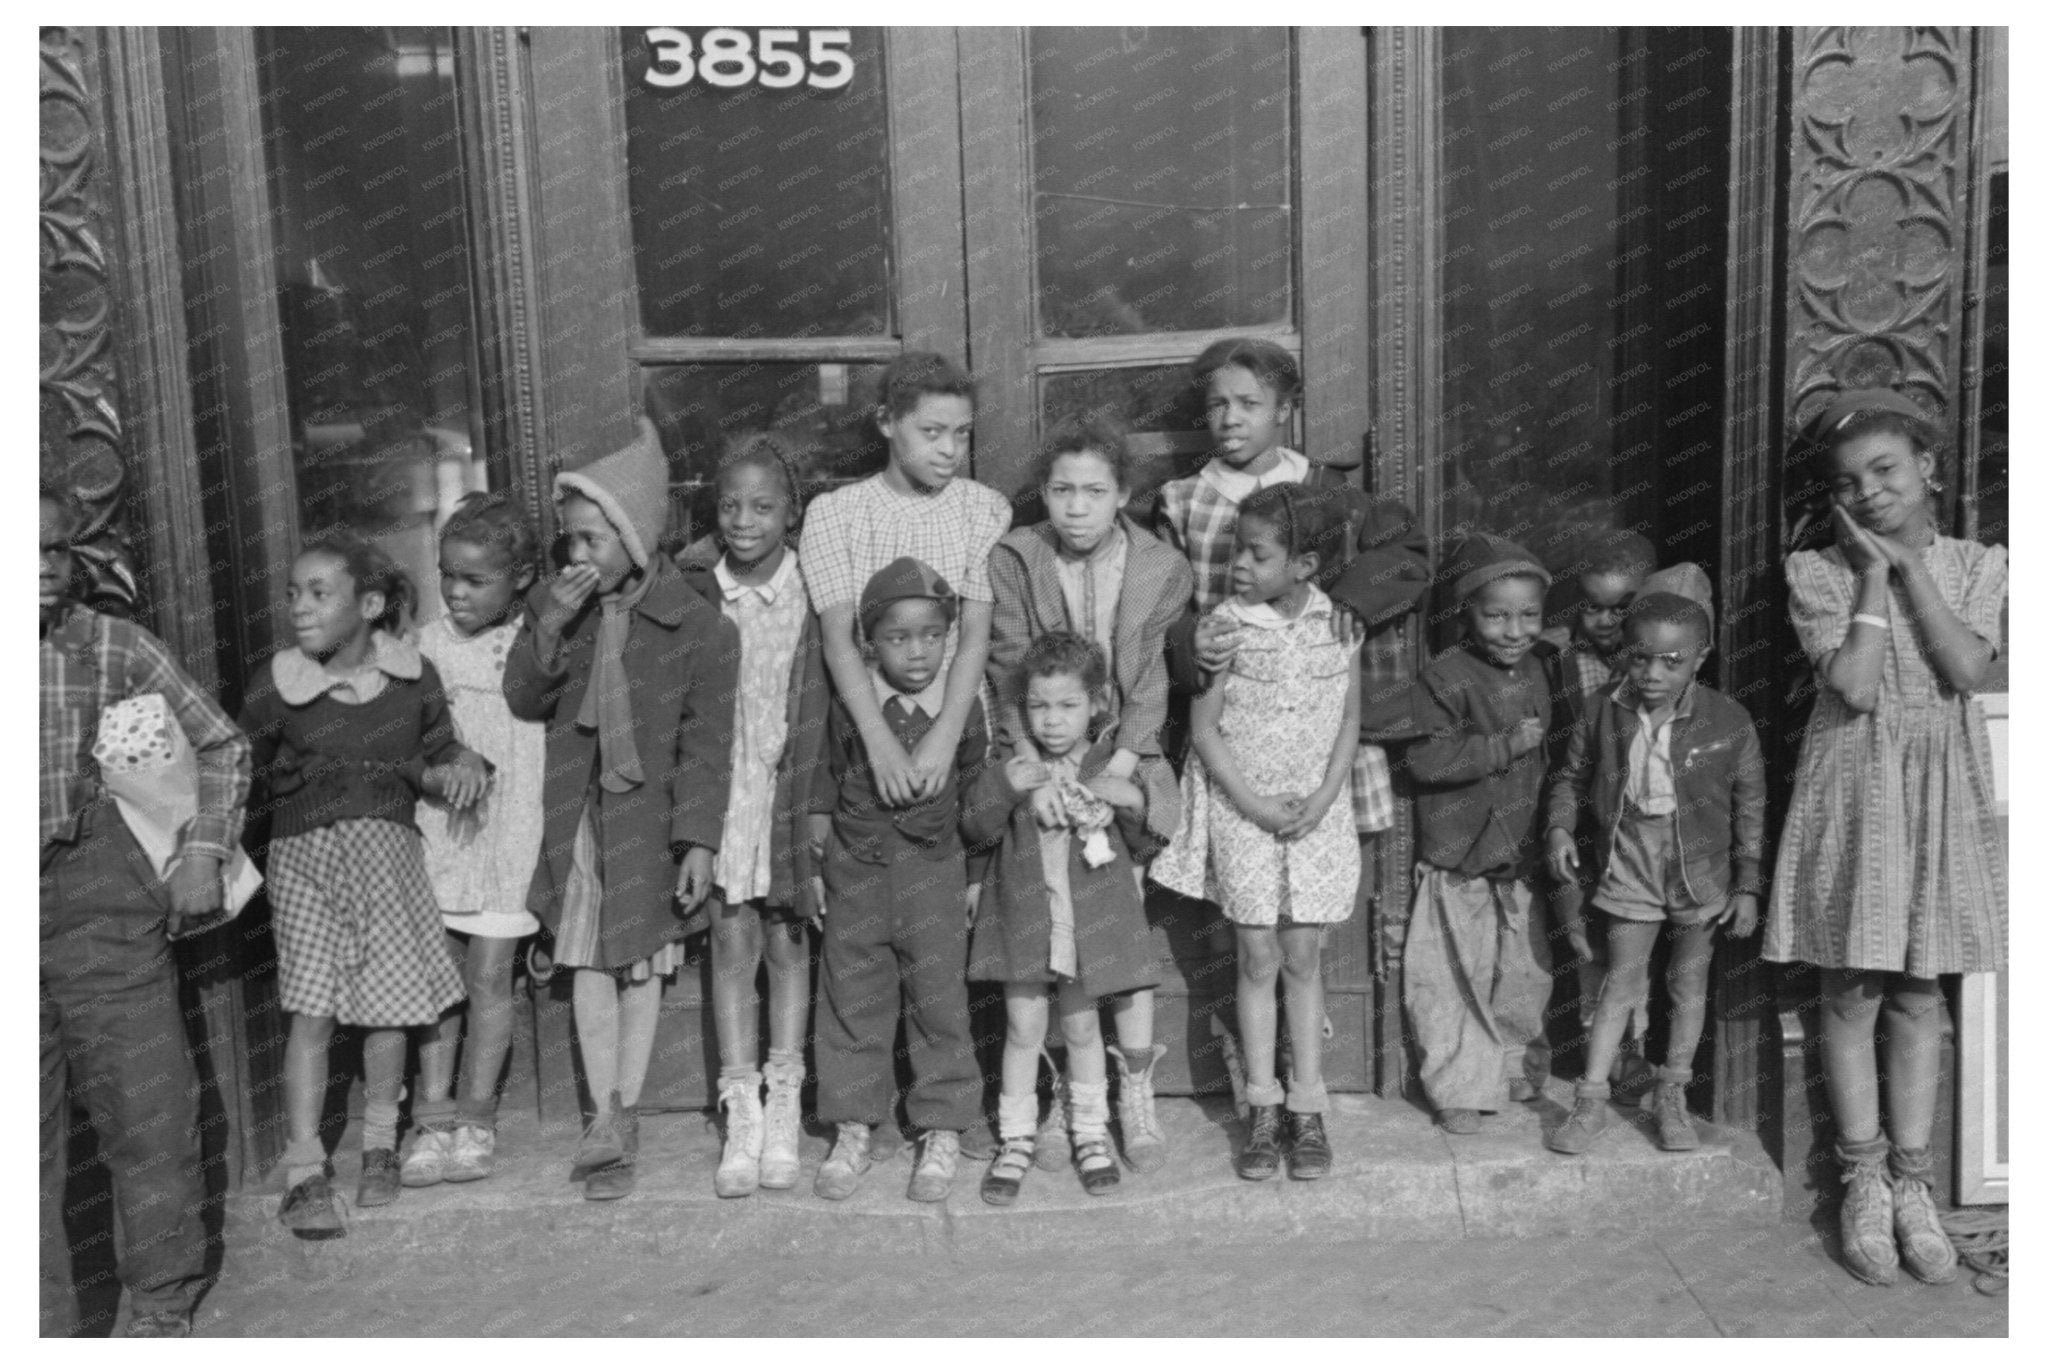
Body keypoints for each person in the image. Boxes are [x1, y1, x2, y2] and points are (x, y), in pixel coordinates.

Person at [1764, 389, 2006, 1287]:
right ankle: (1861, 1179)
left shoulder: (1980, 564)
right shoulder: (1817, 574)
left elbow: (1966, 667)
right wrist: (1870, 574)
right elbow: (1857, 686)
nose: (1868, 493)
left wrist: (1910, 573)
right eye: (1847, 482)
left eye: (1886, 471)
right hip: (1856, 783)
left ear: (1928, 469)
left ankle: (1914, 1182)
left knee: (1918, 986)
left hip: (1941, 783)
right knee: (1850, 985)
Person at [504, 418, 739, 1202]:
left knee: (640, 961)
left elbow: (709, 747)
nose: (577, 558)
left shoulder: (700, 626)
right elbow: (524, 695)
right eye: (569, 541)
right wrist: (548, 626)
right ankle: (599, 1116)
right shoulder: (556, 606)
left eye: (593, 542)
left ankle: (625, 1110)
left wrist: (699, 841)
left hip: (651, 819)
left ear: (636, 537)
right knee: (585, 959)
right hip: (580, 817)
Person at [40, 486, 251, 1337]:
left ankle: (161, 1310)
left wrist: (203, 850)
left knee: (149, 1107)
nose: (41, 572)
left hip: (98, 908)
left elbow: (221, 744)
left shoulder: (110, 648)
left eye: (52, 552)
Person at [241, 529, 487, 1231]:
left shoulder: (414, 680)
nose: (300, 607)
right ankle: (305, 1169)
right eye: (294, 593)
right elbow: (240, 764)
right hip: (304, 864)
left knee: (389, 1008)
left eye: (320, 593)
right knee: (311, 1011)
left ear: (371, 603)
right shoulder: (276, 684)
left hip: (388, 857)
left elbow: (439, 749)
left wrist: (459, 765)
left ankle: (380, 1144)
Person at [985, 413, 1194, 1173]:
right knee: (1048, 945)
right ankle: (1053, 1098)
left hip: (1120, 762)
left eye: (1094, 492)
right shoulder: (1018, 557)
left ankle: (1130, 1095)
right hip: (1043, 750)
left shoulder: (1159, 566)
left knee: (1118, 938)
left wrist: (1122, 768)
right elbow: (1009, 673)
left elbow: (1149, 682)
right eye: (1062, 490)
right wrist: (1034, 770)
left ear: (1123, 496)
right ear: (1043, 493)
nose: (1076, 507)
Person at [1149, 485, 1363, 1180]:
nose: (1239, 563)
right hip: (1244, 813)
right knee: (1256, 956)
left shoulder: (1342, 624)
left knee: (1303, 956)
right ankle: (1261, 1106)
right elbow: (1205, 730)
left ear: (1304, 564)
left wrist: (1326, 795)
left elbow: (1350, 722)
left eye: (1256, 552)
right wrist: (1257, 804)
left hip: (1315, 816)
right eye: (1236, 547)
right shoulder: (1226, 627)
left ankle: (1307, 1105)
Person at [1542, 577, 1764, 1156]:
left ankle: (1672, 1097)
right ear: (1625, 653)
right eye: (1640, 658)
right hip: (1630, 858)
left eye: (1671, 661)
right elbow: (1570, 776)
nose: (1653, 673)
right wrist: (1561, 827)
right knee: (1621, 982)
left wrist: (1747, 884)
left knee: (1688, 984)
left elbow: (1750, 806)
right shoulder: (1601, 710)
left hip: (1701, 869)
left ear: (1700, 658)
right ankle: (1589, 1101)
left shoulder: (1727, 719)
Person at [672, 433, 829, 1198]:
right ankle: (742, 1109)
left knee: (786, 939)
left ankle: (785, 1102)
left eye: (763, 506)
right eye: (730, 505)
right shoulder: (698, 588)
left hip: (789, 789)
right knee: (730, 939)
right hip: (723, 791)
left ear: (791, 513)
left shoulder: (813, 587)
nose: (744, 519)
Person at [811, 558, 990, 1203]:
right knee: (852, 998)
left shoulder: (960, 717)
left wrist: (974, 877)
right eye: (898, 637)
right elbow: (821, 785)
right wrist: (816, 865)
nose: (918, 653)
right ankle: (855, 1125)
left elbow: (974, 801)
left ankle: (942, 1126)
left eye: (933, 635)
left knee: (939, 1001)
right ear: (868, 644)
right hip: (857, 876)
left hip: (933, 881)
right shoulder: (850, 714)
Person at [967, 633, 1163, 1202]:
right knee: (1024, 1027)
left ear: (1097, 704)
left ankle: (1090, 1131)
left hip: (1087, 925)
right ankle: (1017, 1139)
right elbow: (974, 828)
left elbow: (1145, 844)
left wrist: (1130, 802)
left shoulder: (1105, 764)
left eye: (1067, 706)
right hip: (1027, 918)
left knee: (1081, 1027)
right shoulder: (1013, 766)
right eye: (1039, 706)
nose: (1052, 721)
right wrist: (1006, 790)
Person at [401, 493, 545, 1189]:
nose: (456, 592)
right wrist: (444, 760)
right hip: (441, 835)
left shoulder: (533, 645)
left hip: (509, 832)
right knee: (438, 980)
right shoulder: (422, 647)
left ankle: (477, 1117)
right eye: (447, 575)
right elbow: (401, 737)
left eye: (475, 580)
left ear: (518, 579)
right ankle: (430, 1119)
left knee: (490, 976)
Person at [1394, 533, 1556, 1135]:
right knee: (1451, 973)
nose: (1514, 630)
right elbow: (1426, 761)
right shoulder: (1444, 677)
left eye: (1529, 615)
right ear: (1467, 613)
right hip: (1459, 850)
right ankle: (1460, 1084)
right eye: (1496, 616)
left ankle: (1517, 1065)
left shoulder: (1543, 667)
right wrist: (1507, 744)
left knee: (1522, 969)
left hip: (1520, 847)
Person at [800, 350, 1010, 815]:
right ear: (887, 422)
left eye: (962, 433)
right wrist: (880, 744)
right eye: (931, 432)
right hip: (867, 729)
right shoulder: (837, 514)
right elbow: (839, 642)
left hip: (960, 725)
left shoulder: (984, 510)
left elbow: (975, 634)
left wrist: (946, 734)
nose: (950, 450)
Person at [1538, 528, 1660, 1099]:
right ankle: (1597, 1045)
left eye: (1622, 608)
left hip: (1639, 825)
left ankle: (1633, 1046)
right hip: (1580, 819)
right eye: (1594, 607)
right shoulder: (1557, 656)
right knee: (1585, 935)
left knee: (1633, 939)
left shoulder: (1659, 662)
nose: (1607, 621)